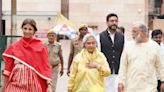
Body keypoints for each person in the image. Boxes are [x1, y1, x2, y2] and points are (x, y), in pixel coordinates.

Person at [1, 19, 52, 92]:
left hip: (33, 86)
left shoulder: (41, 47)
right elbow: (8, 69)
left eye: (30, 29)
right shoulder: (14, 47)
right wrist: (3, 87)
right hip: (15, 85)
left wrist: (49, 85)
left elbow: (45, 68)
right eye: (25, 28)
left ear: (34, 31)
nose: (27, 31)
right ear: (22, 29)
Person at [118, 22, 164, 92]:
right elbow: (123, 66)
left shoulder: (154, 47)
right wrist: (120, 82)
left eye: (134, 31)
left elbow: (160, 66)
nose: (132, 34)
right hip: (131, 87)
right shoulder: (128, 46)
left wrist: (163, 80)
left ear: (142, 32)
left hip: (149, 88)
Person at [96, 13, 124, 92]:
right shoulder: (99, 37)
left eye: (116, 21)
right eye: (112, 21)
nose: (114, 23)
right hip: (105, 72)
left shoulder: (122, 37)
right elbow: (98, 54)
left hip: (118, 72)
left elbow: (124, 54)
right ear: (107, 22)